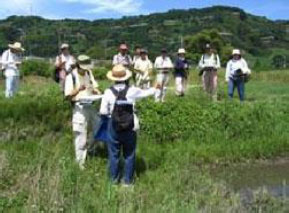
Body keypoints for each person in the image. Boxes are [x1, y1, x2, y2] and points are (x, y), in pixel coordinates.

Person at [100, 64, 158, 186]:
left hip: (113, 126)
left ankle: (113, 181)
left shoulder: (108, 92)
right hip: (129, 126)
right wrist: (155, 88)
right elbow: (146, 93)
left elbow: (103, 112)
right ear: (126, 77)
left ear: (113, 78)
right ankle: (127, 182)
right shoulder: (132, 90)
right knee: (129, 154)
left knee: (114, 154)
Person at [65, 55, 102, 169]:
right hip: (79, 108)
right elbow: (68, 96)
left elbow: (94, 87)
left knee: (99, 128)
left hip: (91, 106)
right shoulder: (71, 77)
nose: (85, 69)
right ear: (78, 66)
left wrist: (97, 92)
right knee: (80, 134)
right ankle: (80, 163)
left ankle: (91, 150)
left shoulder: (89, 73)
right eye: (83, 67)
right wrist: (78, 90)